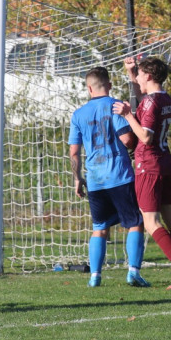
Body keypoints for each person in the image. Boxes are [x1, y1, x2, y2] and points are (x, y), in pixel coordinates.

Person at [113, 56, 171, 290]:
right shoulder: (163, 97)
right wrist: (132, 74)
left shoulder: (151, 102)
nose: (138, 78)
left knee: (150, 221)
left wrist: (127, 116)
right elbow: (144, 101)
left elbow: (146, 136)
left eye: (140, 74)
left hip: (148, 164)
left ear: (148, 76)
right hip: (163, 161)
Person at [68, 67, 149, 288]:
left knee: (100, 227)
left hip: (95, 180)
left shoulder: (78, 114)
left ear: (89, 88)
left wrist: (78, 178)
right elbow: (126, 140)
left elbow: (74, 152)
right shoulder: (115, 106)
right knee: (136, 223)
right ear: (109, 85)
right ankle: (133, 272)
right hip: (120, 176)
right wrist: (135, 144)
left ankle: (95, 276)